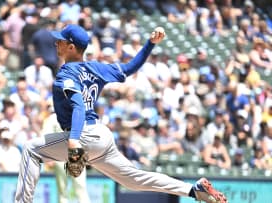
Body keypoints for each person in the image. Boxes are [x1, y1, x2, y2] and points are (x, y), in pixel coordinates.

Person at [15, 24, 227, 203]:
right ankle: (193, 190)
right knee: (133, 179)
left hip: (83, 135)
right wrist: (150, 44)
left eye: (60, 41)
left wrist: (73, 141)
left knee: (31, 150)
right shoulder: (95, 68)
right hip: (102, 136)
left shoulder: (66, 73)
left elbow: (78, 105)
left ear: (71, 47)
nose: (56, 43)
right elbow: (129, 68)